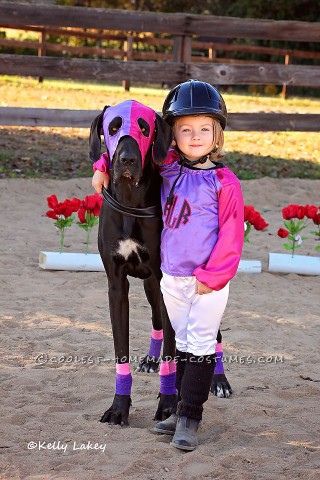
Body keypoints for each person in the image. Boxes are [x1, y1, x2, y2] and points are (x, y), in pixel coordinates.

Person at [92, 79, 244, 451]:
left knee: (200, 345)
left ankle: (189, 416)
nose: (195, 137)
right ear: (171, 136)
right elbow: (128, 142)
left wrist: (215, 277)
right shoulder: (169, 168)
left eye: (204, 129)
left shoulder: (226, 182)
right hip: (172, 278)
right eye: (186, 130)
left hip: (207, 280)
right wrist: (101, 164)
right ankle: (175, 405)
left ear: (217, 134)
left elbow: (232, 234)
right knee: (180, 344)